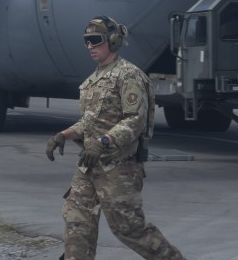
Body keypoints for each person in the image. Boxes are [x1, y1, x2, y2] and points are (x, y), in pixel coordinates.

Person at [45, 16, 186, 260]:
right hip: (89, 165)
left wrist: (103, 142)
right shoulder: (93, 81)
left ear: (112, 41)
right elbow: (89, 121)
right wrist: (63, 135)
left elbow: (135, 121)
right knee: (77, 219)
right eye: (86, 41)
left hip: (119, 167)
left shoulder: (128, 76)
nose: (90, 46)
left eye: (95, 40)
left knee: (129, 228)